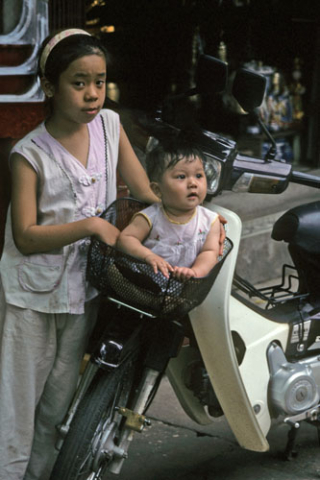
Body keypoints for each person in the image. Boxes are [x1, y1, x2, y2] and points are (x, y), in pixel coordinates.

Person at [0, 28, 159, 480]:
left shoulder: (110, 125)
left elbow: (145, 191)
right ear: (50, 87)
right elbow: (26, 235)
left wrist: (191, 216)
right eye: (78, 82)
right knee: (15, 407)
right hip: (29, 298)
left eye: (100, 81)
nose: (93, 94)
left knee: (57, 405)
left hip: (82, 291)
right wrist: (91, 226)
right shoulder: (28, 154)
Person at [117, 140, 221, 282]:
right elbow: (126, 239)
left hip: (180, 285)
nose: (193, 183)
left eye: (198, 175)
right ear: (157, 190)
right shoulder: (151, 217)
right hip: (143, 281)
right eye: (181, 177)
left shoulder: (210, 221)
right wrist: (148, 256)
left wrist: (194, 272)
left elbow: (209, 252)